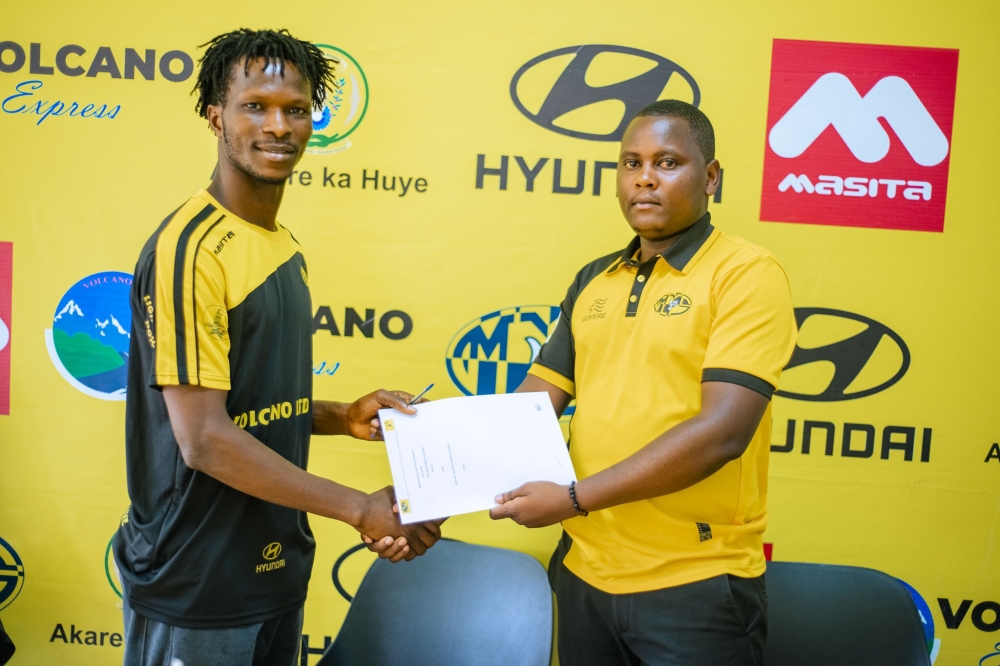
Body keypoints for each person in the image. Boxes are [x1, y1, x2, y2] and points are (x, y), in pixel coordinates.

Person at [112, 28, 440, 666]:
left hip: (275, 568)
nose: (278, 126)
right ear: (216, 116)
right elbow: (203, 438)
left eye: (295, 110)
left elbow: (257, 406)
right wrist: (359, 507)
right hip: (196, 580)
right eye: (255, 106)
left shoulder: (281, 245)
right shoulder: (191, 249)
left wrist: (340, 417)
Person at [488, 100, 797, 665]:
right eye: (631, 163)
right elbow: (531, 408)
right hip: (585, 573)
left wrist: (575, 499)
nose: (646, 177)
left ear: (710, 178)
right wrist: (431, 488)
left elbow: (720, 434)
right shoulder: (594, 278)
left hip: (695, 586)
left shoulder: (746, 275)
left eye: (668, 162)